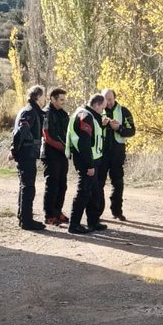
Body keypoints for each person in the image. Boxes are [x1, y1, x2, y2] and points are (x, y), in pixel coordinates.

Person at [66, 94, 109, 234]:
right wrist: (90, 165)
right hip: (86, 161)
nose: (102, 111)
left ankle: (93, 222)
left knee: (94, 192)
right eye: (102, 108)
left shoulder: (89, 115)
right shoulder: (86, 116)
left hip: (93, 160)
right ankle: (74, 224)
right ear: (96, 105)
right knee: (83, 192)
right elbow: (84, 143)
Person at [12, 85, 47, 231]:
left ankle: (23, 217)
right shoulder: (30, 111)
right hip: (26, 154)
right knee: (28, 188)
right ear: (38, 97)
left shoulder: (31, 110)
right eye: (44, 95)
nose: (45, 98)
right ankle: (27, 220)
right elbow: (19, 133)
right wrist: (14, 150)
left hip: (27, 154)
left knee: (25, 186)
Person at [98, 89, 136, 221]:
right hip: (101, 153)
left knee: (118, 183)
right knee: (98, 184)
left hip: (117, 153)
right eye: (105, 99)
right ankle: (96, 213)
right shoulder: (97, 111)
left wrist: (119, 128)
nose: (108, 102)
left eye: (110, 99)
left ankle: (117, 211)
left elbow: (132, 131)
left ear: (115, 98)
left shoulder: (124, 111)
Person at [41, 87, 71, 226]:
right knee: (52, 185)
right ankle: (49, 215)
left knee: (62, 185)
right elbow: (47, 136)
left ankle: (58, 211)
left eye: (64, 100)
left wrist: (69, 147)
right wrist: (62, 146)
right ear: (52, 99)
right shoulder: (46, 113)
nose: (63, 102)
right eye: (61, 100)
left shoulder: (64, 114)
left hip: (63, 154)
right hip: (50, 153)